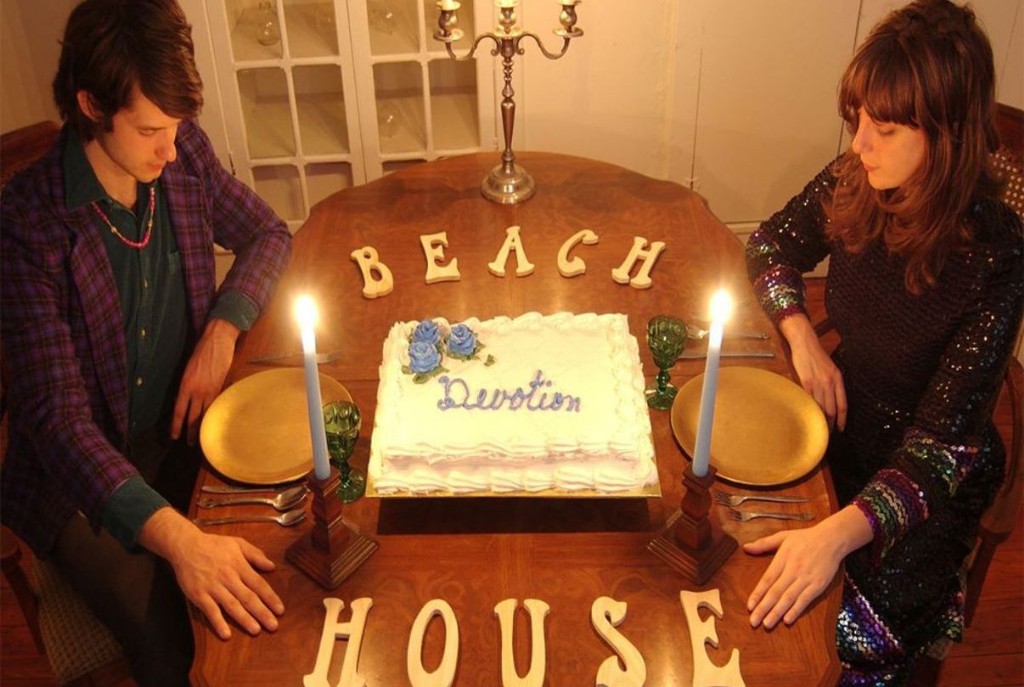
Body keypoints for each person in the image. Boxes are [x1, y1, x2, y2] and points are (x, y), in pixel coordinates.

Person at [0, 0, 293, 684]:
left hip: (182, 431)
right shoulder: (27, 225)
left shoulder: (181, 156)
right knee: (179, 636)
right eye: (151, 130)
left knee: (281, 551)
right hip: (78, 482)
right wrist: (182, 542)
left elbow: (268, 233)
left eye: (177, 127)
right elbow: (58, 424)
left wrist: (222, 328)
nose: (172, 148)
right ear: (91, 106)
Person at [742, 0, 1023, 684]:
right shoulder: (858, 182)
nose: (860, 143)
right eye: (859, 119)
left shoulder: (997, 256)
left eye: (885, 128)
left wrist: (835, 536)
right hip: (841, 422)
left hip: (930, 485)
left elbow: (941, 448)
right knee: (745, 560)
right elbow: (769, 244)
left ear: (947, 136)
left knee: (840, 638)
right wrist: (801, 335)